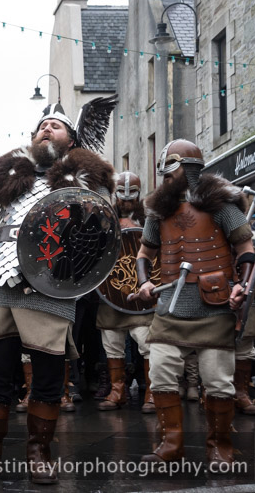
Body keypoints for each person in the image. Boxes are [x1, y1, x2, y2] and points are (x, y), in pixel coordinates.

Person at [0, 98, 117, 486]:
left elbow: (99, 231)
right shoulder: (10, 172)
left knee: (48, 378)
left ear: (72, 139)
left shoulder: (84, 179)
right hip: (3, 283)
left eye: (57, 126)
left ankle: (39, 452)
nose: (47, 129)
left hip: (54, 287)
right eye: (42, 125)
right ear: (33, 136)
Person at [133, 140, 255, 472]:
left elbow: (245, 249)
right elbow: (145, 254)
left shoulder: (221, 206)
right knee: (159, 375)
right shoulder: (159, 212)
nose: (165, 176)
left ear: (187, 168)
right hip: (169, 308)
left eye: (170, 168)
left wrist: (242, 285)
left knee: (217, 381)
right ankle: (170, 446)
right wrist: (144, 282)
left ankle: (220, 448)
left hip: (214, 305)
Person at [94, 171, 156, 413]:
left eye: (132, 193)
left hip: (142, 290)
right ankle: (118, 390)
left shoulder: (150, 216)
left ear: (140, 193)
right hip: (111, 289)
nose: (127, 197)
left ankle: (152, 392)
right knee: (112, 342)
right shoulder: (103, 217)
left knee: (147, 342)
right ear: (114, 193)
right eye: (122, 192)